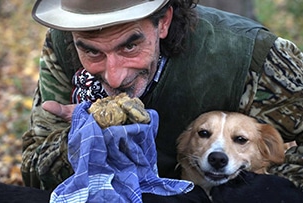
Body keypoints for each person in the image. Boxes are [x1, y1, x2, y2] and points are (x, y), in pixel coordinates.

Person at [21, 0, 303, 201]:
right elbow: (34, 171)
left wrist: (270, 188)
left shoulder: (253, 55)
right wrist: (79, 144)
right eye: (92, 53)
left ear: (164, 21)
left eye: (130, 45)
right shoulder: (63, 42)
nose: (115, 77)